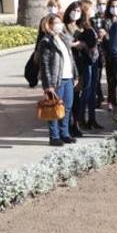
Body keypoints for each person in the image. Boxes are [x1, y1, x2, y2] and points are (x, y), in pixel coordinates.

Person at [36, 14, 78, 146]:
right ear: (49, 25)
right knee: (54, 108)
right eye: (56, 23)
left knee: (67, 107)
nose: (59, 25)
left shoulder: (63, 39)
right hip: (55, 81)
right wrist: (48, 85)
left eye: (60, 22)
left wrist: (75, 75)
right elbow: (45, 66)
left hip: (68, 78)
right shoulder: (46, 42)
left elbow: (70, 59)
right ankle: (54, 136)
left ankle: (64, 133)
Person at [75, 0, 103, 130]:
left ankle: (92, 118)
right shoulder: (81, 27)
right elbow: (85, 43)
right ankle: (81, 119)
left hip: (94, 61)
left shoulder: (91, 25)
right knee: (86, 91)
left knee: (92, 92)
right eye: (90, 8)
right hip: (86, 62)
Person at [62, 1, 85, 137]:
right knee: (69, 98)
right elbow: (64, 42)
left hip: (81, 64)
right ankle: (68, 126)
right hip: (70, 65)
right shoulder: (64, 27)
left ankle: (76, 123)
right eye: (74, 10)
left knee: (78, 98)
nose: (76, 13)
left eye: (78, 11)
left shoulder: (81, 26)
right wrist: (76, 44)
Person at [102, 0, 117, 112]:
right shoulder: (106, 21)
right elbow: (103, 37)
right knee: (111, 80)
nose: (115, 9)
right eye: (112, 6)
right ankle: (111, 100)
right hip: (110, 55)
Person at [93, 0, 108, 107]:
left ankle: (111, 99)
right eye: (100, 4)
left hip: (109, 49)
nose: (102, 6)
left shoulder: (111, 18)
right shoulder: (93, 19)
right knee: (97, 76)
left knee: (112, 77)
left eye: (104, 4)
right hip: (98, 50)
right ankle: (99, 97)